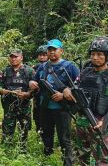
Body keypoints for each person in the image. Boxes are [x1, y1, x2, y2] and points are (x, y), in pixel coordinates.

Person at [29, 39, 79, 166]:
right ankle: (47, 158)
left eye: (54, 49)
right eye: (49, 50)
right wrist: (32, 83)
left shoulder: (70, 66)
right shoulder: (43, 66)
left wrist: (63, 95)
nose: (51, 52)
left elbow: (79, 88)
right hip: (45, 107)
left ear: (61, 51)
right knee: (46, 134)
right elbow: (34, 80)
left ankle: (67, 162)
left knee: (64, 138)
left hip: (62, 109)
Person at [63, 36, 108, 165]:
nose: (95, 57)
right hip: (82, 121)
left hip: (101, 123)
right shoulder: (85, 73)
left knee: (103, 159)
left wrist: (104, 121)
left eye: (99, 54)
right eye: (93, 54)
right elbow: (74, 88)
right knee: (82, 157)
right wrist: (67, 90)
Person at [0, 49, 34, 150]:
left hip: (24, 105)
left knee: (23, 128)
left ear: (21, 57)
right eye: (12, 57)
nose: (14, 59)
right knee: (7, 127)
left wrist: (27, 94)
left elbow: (35, 89)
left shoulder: (29, 71)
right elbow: (0, 86)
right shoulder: (5, 71)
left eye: (16, 56)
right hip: (9, 105)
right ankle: (6, 148)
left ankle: (22, 149)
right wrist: (2, 91)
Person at [32, 45, 48, 134]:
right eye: (40, 55)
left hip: (50, 96)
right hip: (37, 96)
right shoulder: (35, 67)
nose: (42, 57)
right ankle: (39, 134)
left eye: (44, 55)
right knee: (37, 117)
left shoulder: (53, 66)